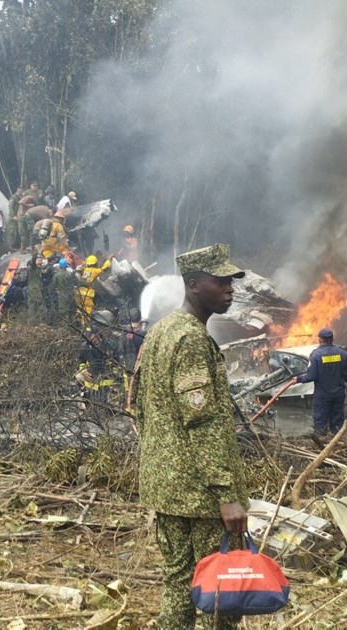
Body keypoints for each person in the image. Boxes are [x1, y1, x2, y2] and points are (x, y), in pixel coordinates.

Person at [131, 243, 249, 630]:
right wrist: (227, 496)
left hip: (166, 488)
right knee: (219, 592)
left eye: (231, 282)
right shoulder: (192, 340)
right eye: (222, 282)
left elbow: (139, 406)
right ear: (195, 285)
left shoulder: (162, 331)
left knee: (180, 583)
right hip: (200, 497)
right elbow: (203, 424)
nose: (230, 289)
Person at [296, 328, 347, 437]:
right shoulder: (342, 353)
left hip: (322, 394)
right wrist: (343, 378)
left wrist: (298, 379)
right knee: (337, 419)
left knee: (320, 420)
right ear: (332, 339)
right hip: (338, 393)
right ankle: (337, 442)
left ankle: (321, 443)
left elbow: (311, 376)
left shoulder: (316, 355)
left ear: (320, 340)